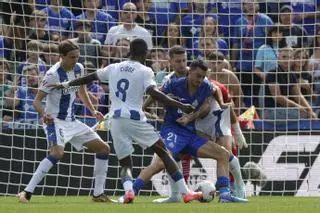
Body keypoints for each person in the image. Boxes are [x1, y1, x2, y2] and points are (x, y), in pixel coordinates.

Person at [51, 38, 203, 204]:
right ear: (145, 53)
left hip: (115, 120)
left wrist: (66, 84)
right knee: (164, 153)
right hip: (134, 118)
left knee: (125, 163)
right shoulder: (145, 70)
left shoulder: (113, 67)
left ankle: (129, 191)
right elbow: (154, 93)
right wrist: (180, 104)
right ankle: (186, 193)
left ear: (129, 50)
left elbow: (89, 78)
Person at [135, 58, 248, 203]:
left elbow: (220, 99)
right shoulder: (173, 83)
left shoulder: (209, 86)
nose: (200, 80)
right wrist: (142, 109)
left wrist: (235, 129)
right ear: (190, 72)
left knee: (224, 154)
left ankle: (229, 192)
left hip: (206, 125)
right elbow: (156, 94)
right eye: (197, 76)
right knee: (161, 162)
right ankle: (132, 190)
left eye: (203, 77)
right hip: (178, 130)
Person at [18, 40, 112, 203]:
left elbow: (81, 90)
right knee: (57, 153)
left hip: (72, 122)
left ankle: (97, 194)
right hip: (55, 121)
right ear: (61, 56)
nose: (76, 60)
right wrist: (44, 114)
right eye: (72, 57)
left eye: (77, 56)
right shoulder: (52, 74)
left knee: (104, 149)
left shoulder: (79, 68)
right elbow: (37, 101)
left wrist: (92, 110)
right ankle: (26, 193)